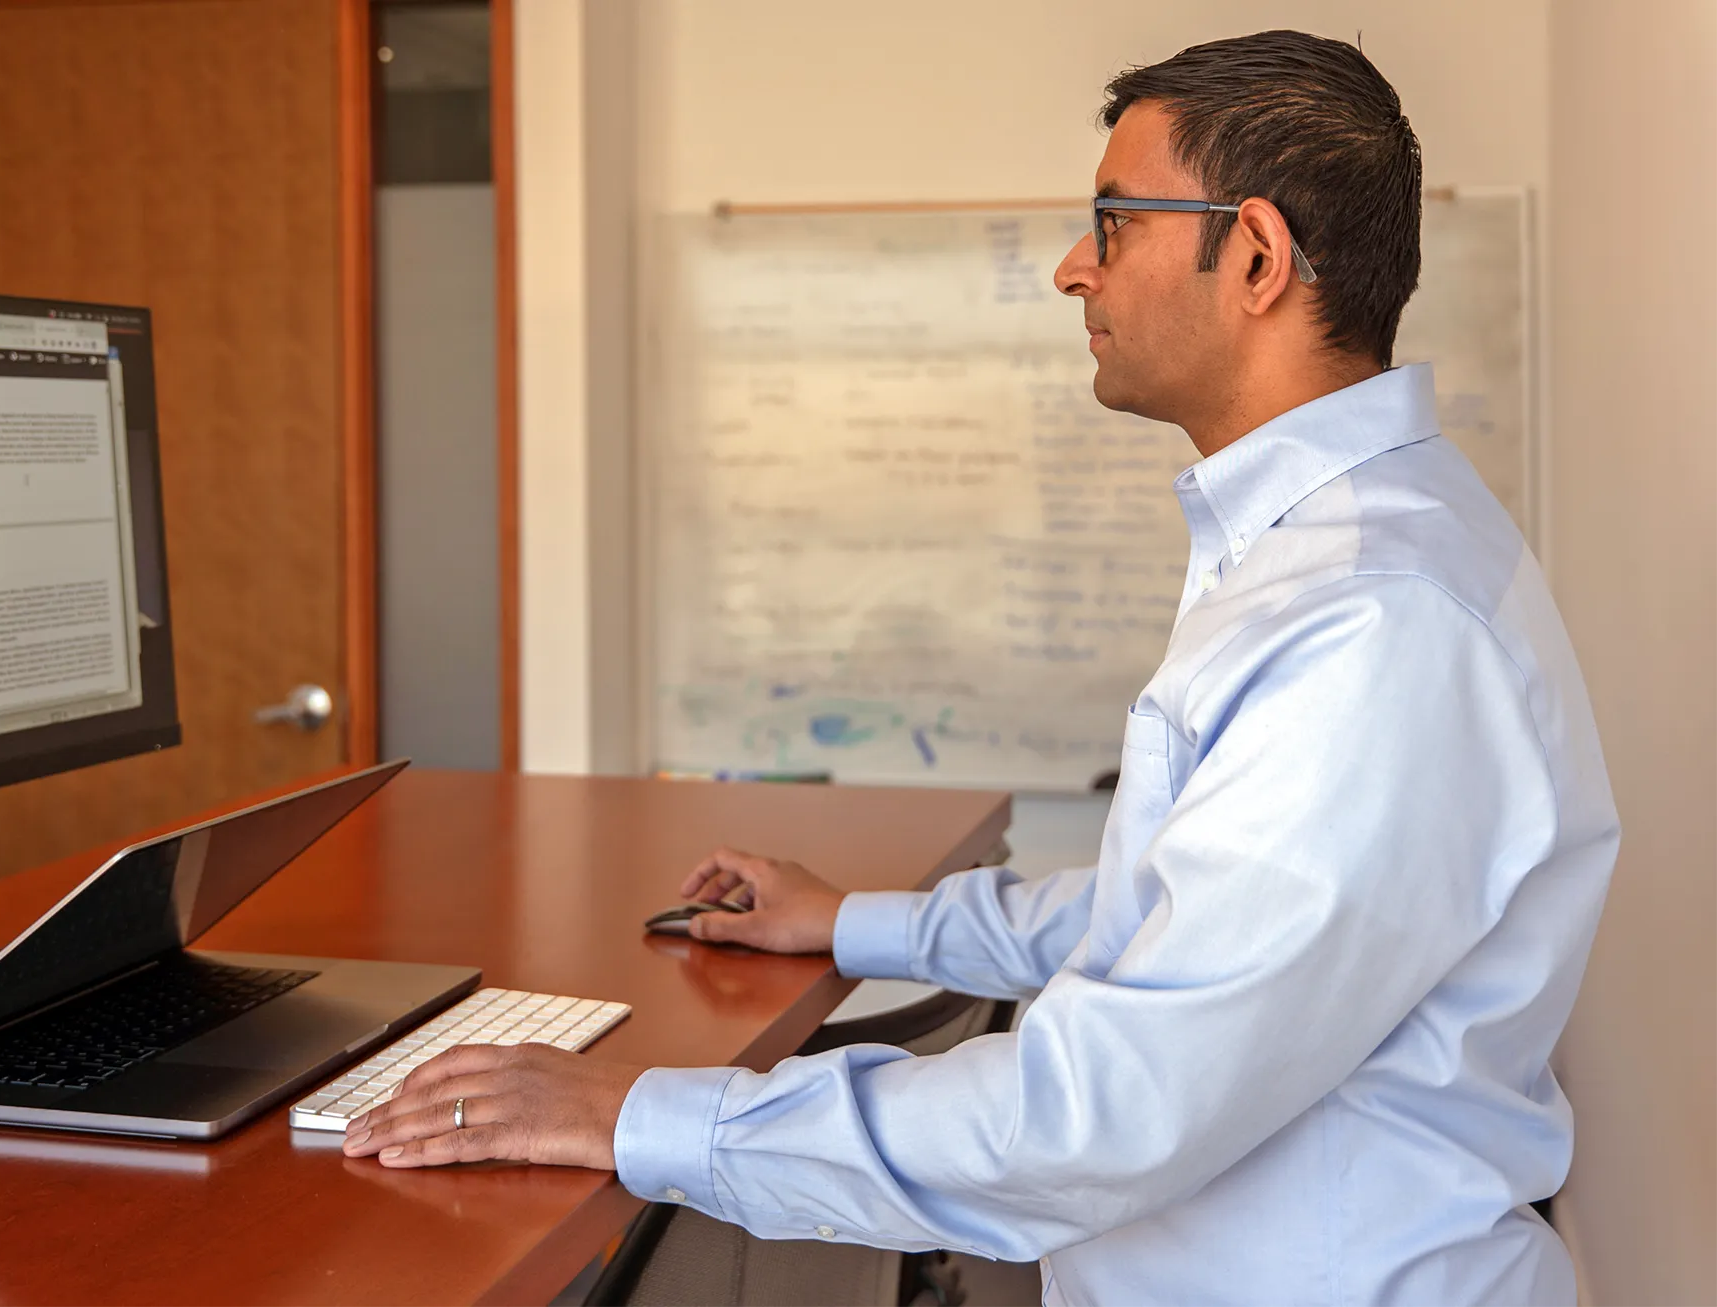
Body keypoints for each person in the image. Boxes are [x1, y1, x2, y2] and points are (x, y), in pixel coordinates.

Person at [344, 29, 1617, 1307]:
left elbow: (1103, 1113)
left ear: (1255, 255)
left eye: (1113, 222)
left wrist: (648, 1113)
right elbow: (1172, 912)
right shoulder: (1336, 554)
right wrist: (854, 921)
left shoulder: (1371, 624)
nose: (1075, 268)